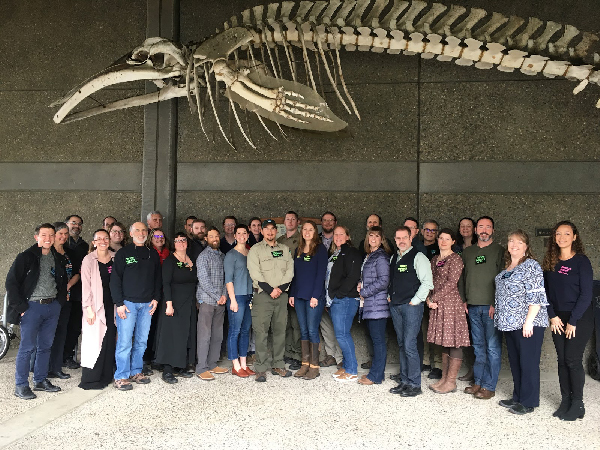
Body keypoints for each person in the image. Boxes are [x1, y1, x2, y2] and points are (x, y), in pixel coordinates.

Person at [7, 223, 67, 400]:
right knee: (27, 347)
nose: (48, 238)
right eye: (43, 235)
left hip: (52, 306)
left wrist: (59, 302)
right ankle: (21, 385)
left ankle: (40, 380)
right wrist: (21, 308)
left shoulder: (57, 257)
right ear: (37, 237)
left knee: (45, 346)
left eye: (51, 235)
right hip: (32, 307)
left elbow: (62, 281)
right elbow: (11, 283)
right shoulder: (26, 257)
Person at [543, 221, 593, 421]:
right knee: (562, 360)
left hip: (579, 317)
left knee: (572, 360)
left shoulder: (582, 261)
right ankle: (565, 400)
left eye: (566, 233)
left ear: (574, 237)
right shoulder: (550, 262)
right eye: (558, 234)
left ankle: (578, 404)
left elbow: (586, 294)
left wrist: (572, 321)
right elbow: (544, 292)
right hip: (557, 319)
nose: (562, 237)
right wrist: (552, 316)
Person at [494, 230, 549, 414]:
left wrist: (529, 322)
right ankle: (518, 397)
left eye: (519, 242)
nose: (514, 245)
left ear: (526, 246)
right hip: (510, 324)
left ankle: (528, 402)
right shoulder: (509, 267)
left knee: (528, 362)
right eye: (511, 241)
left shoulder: (531, 266)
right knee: (516, 362)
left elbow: (537, 296)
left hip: (528, 324)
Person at [110, 222, 162, 390]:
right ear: (131, 234)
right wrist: (119, 303)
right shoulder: (123, 253)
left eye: (144, 230)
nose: (141, 233)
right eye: (137, 230)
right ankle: (121, 376)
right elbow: (115, 280)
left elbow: (157, 279)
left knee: (141, 341)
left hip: (147, 305)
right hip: (127, 304)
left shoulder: (152, 254)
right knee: (125, 342)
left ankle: (136, 371)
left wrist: (156, 298)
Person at [460, 216, 504, 400]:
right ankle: (478, 381)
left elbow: (503, 279)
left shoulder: (500, 251)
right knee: (478, 347)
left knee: (492, 347)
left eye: (488, 227)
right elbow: (462, 278)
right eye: (481, 227)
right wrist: (464, 299)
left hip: (490, 307)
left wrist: (496, 302)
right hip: (472, 306)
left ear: (493, 230)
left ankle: (489, 386)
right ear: (476, 230)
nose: (484, 230)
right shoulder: (468, 252)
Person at [388, 226, 434, 397]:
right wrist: (388, 295)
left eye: (404, 238)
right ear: (395, 239)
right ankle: (405, 381)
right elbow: (391, 281)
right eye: (398, 238)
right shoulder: (394, 258)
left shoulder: (419, 257)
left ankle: (415, 384)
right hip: (396, 306)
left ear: (410, 238)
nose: (401, 241)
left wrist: (415, 301)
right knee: (401, 344)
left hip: (411, 307)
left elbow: (427, 283)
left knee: (409, 344)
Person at [247, 219, 294, 382]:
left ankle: (278, 364)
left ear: (276, 231)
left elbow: (290, 271)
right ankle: (260, 367)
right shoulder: (255, 250)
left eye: (273, 229)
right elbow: (255, 273)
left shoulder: (285, 249)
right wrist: (270, 290)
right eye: (266, 229)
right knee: (261, 332)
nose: (270, 232)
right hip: (263, 296)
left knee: (280, 331)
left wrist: (279, 289)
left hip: (281, 296)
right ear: (262, 231)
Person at [426, 229, 470, 394]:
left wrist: (433, 298)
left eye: (447, 239)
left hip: (451, 304)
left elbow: (452, 283)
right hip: (437, 304)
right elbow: (429, 280)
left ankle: (451, 382)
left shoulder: (456, 259)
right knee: (445, 341)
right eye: (441, 238)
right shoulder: (435, 259)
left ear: (453, 242)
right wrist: (428, 299)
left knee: (454, 341)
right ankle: (444, 379)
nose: (443, 241)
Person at [154, 232, 197, 384]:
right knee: (171, 335)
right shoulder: (170, 261)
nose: (181, 243)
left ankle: (181, 365)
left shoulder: (191, 259)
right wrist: (169, 304)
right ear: (173, 244)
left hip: (189, 303)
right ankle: (167, 369)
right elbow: (165, 283)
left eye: (183, 240)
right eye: (177, 241)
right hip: (173, 303)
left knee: (185, 334)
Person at [289, 220, 328, 380]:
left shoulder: (320, 249)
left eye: (310, 229)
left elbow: (321, 275)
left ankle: (314, 366)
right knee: (303, 330)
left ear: (315, 232)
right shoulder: (298, 249)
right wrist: (291, 293)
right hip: (299, 296)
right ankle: (305, 364)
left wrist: (315, 295)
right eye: (304, 229)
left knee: (312, 330)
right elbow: (295, 274)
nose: (307, 232)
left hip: (313, 297)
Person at [79, 229, 117, 390]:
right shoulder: (89, 260)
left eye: (105, 238)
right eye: (99, 239)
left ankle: (106, 376)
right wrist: (88, 308)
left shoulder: (115, 258)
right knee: (94, 341)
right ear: (94, 242)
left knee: (109, 339)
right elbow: (85, 286)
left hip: (113, 305)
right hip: (95, 307)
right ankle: (91, 379)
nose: (103, 241)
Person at [327, 226, 362, 383]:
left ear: (348, 236)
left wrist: (339, 294)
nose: (338, 236)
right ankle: (347, 366)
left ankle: (352, 370)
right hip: (338, 300)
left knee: (342, 335)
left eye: (341, 234)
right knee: (342, 334)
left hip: (346, 299)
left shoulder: (351, 252)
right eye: (336, 234)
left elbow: (353, 276)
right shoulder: (337, 252)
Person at [357, 226, 391, 385]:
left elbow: (384, 281)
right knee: (375, 340)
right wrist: (361, 285)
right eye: (371, 235)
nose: (373, 238)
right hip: (371, 305)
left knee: (378, 342)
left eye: (377, 236)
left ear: (381, 239)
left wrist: (364, 291)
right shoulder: (370, 255)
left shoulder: (381, 257)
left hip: (378, 306)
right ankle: (377, 374)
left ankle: (376, 376)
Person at [46, 222, 80, 380]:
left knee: (61, 333)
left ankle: (56, 367)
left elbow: (77, 273)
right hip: (50, 299)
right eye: (60, 233)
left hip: (65, 298)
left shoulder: (70, 253)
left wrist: (67, 286)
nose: (64, 237)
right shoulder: (47, 253)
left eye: (66, 234)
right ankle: (42, 367)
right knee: (47, 334)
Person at [195, 227, 229, 380]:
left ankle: (212, 363)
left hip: (220, 301)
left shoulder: (223, 256)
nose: (214, 238)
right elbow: (204, 281)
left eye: (216, 236)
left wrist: (224, 295)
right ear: (206, 239)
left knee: (217, 334)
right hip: (207, 301)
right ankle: (201, 367)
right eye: (211, 236)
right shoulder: (203, 257)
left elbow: (226, 278)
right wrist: (217, 296)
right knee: (204, 335)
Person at [224, 225, 255, 378]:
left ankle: (244, 363)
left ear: (248, 235)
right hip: (237, 297)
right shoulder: (231, 255)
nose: (242, 235)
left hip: (250, 296)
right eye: (239, 233)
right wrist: (232, 300)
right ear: (235, 236)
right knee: (234, 331)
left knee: (245, 331)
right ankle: (235, 365)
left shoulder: (250, 253)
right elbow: (228, 280)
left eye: (244, 233)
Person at [453, 217, 478, 383]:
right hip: (457, 295)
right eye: (462, 226)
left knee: (477, 337)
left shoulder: (479, 247)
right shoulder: (455, 248)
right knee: (465, 335)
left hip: (475, 295)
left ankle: (475, 370)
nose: (465, 228)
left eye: (469, 226)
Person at [277, 211, 302, 370]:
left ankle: (297, 355)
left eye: (293, 219)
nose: (290, 221)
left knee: (296, 323)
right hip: (280, 287)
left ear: (298, 222)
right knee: (283, 322)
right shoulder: (279, 241)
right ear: (284, 222)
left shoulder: (302, 240)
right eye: (288, 219)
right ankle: (286, 352)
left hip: (295, 285)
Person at [318, 212, 343, 369]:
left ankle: (341, 358)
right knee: (325, 326)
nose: (327, 223)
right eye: (325, 220)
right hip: (320, 291)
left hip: (337, 293)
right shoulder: (316, 240)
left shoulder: (345, 248)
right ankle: (330, 355)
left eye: (330, 220)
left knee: (339, 327)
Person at [63, 214, 87, 370]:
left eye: (79, 224)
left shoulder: (85, 246)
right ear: (66, 224)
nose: (76, 226)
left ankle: (67, 356)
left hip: (79, 292)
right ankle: (56, 357)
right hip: (62, 292)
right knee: (60, 326)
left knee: (74, 327)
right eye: (73, 223)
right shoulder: (60, 243)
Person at [420, 219, 442, 380]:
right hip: (420, 295)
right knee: (422, 330)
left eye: (433, 230)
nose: (429, 232)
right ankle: (425, 361)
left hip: (436, 296)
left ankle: (438, 365)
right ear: (422, 231)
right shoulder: (416, 247)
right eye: (427, 229)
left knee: (436, 331)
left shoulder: (441, 248)